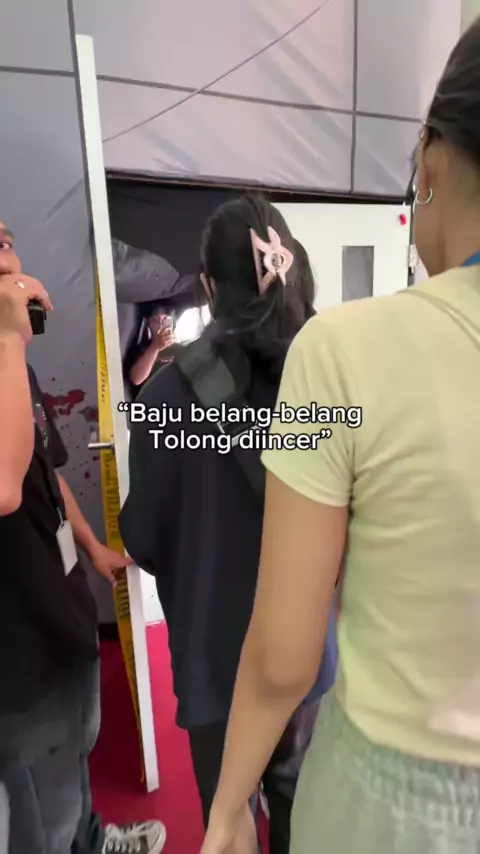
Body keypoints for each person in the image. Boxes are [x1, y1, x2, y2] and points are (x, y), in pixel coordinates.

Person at [199, 17, 480, 854]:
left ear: (431, 158)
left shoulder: (344, 353)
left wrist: (226, 809)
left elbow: (282, 655)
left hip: (390, 802)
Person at [119, 196, 335, 852]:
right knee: (304, 806)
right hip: (304, 655)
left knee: (226, 817)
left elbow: (145, 538)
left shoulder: (164, 396)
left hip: (216, 664)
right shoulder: (328, 385)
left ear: (209, 287)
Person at [0, 221, 166, 854]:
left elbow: (45, 469)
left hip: (61, 613)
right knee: (39, 813)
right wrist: (9, 339)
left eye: (6, 242)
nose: (7, 261)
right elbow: (4, 486)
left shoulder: (14, 370)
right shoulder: (7, 355)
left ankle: (92, 841)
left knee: (75, 758)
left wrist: (93, 549)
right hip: (17, 657)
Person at [126, 304, 176, 391]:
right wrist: (155, 346)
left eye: (165, 320)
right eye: (155, 320)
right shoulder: (142, 348)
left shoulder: (179, 350)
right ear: (148, 325)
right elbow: (136, 379)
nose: (161, 323)